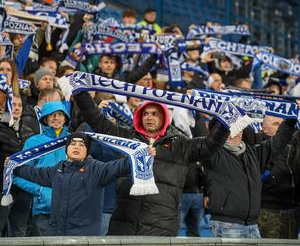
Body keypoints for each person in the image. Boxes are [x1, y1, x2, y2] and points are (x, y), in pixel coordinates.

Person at [74, 90, 230, 236]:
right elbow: (97, 120)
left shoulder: (181, 145)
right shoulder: (126, 138)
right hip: (123, 225)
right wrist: (80, 92)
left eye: (155, 114)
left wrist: (226, 120)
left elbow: (211, 144)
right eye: (146, 114)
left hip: (161, 229)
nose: (149, 117)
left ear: (164, 117)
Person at [13, 131, 135, 236]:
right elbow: (34, 173)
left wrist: (137, 156)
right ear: (66, 149)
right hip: (57, 234)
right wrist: (13, 166)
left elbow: (120, 166)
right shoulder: (58, 169)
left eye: (82, 145)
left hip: (84, 236)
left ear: (87, 150)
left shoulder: (97, 169)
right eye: (72, 144)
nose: (76, 147)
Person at [204, 118, 296, 238]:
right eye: (232, 131)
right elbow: (212, 138)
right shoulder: (212, 154)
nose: (237, 134)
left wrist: (291, 118)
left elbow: (278, 142)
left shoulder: (252, 153)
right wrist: (229, 116)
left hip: (252, 224)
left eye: (240, 130)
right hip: (227, 224)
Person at [13, 101, 70, 236]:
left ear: (65, 118)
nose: (56, 118)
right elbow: (17, 175)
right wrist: (39, 191)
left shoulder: (74, 141)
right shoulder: (33, 142)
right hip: (43, 209)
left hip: (71, 210)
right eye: (52, 115)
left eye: (60, 114)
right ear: (45, 118)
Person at [257, 115, 300, 239]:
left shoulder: (294, 142)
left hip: (292, 208)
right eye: (276, 124)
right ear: (264, 128)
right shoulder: (257, 145)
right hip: (267, 209)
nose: (282, 128)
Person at [0, 95, 31, 236]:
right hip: (4, 188)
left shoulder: (30, 128)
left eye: (19, 105)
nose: (17, 108)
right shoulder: (2, 128)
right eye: (13, 105)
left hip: (24, 188)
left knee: (20, 230)